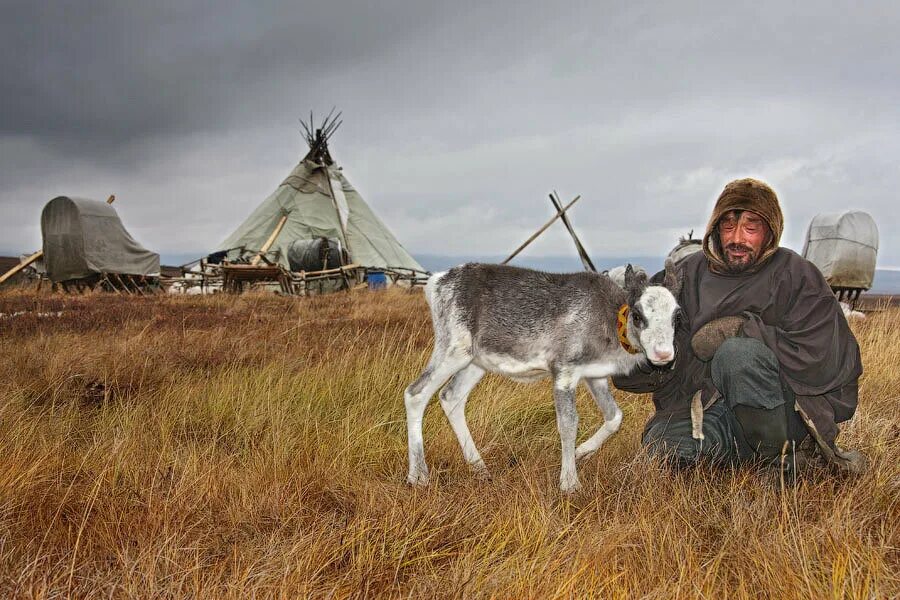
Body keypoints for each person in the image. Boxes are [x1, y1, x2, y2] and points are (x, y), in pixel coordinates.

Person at [613, 178, 866, 474]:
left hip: (782, 416)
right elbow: (631, 370)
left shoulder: (796, 275)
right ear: (715, 228)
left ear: (769, 231)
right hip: (708, 410)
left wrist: (743, 331)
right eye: (728, 226)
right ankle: (735, 457)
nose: (737, 238)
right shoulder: (686, 276)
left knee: (738, 356)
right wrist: (635, 343)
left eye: (751, 227)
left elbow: (826, 358)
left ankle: (782, 459)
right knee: (664, 448)